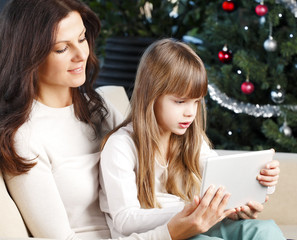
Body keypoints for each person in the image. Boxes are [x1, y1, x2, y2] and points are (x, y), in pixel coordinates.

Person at [0, 1, 229, 239]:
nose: (81, 55)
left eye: (82, 38)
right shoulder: (25, 139)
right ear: (28, 55)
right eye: (62, 49)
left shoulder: (99, 108)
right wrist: (169, 232)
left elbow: (152, 179)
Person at [100, 38, 285, 240]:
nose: (191, 112)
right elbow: (125, 220)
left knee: (264, 230)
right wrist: (188, 212)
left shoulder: (192, 140)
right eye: (180, 101)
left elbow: (222, 179)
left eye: (196, 102)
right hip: (159, 234)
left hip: (194, 223)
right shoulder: (121, 146)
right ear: (151, 96)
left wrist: (260, 181)